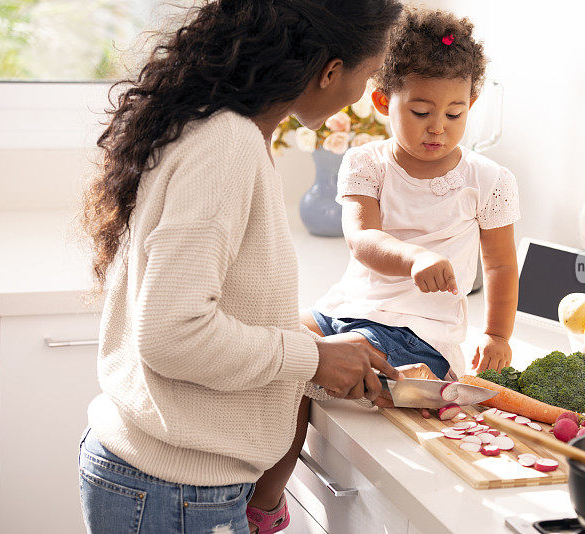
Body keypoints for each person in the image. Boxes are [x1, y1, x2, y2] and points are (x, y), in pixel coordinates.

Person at [78, 1, 403, 533]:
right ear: (328, 72)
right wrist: (310, 357)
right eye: (368, 74)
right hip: (170, 494)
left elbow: (217, 298)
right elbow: (172, 335)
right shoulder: (226, 147)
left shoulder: (220, 128)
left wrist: (313, 349)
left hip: (160, 484)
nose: (365, 93)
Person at [306, 7, 521, 380]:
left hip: (419, 333)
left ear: (469, 105)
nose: (437, 128)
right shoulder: (365, 162)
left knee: (351, 354)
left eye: (454, 115)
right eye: (421, 112)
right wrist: (414, 257)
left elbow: (501, 264)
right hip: (345, 307)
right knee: (286, 347)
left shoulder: (488, 180)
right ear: (384, 102)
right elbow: (361, 238)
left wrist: (497, 335)